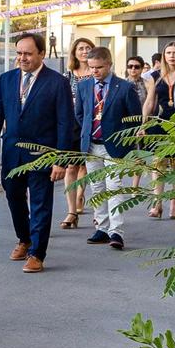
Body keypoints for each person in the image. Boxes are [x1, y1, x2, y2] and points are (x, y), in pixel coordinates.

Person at [0, 32, 77, 273]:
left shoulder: (57, 82)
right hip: (12, 153)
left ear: (42, 54)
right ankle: (24, 239)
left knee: (40, 204)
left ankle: (37, 254)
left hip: (42, 155)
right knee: (13, 197)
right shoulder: (6, 79)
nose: (22, 58)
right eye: (19, 53)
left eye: (28, 53)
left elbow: (65, 123)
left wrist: (61, 160)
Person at [75, 46, 144, 252]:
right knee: (97, 188)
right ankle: (102, 228)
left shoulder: (124, 87)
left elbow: (134, 118)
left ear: (109, 65)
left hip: (114, 145)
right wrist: (86, 133)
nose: (94, 71)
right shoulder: (84, 86)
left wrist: (125, 142)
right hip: (91, 145)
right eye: (91, 67)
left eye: (99, 67)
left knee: (114, 187)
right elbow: (80, 114)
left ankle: (116, 232)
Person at [143, 40, 175, 220]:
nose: (172, 56)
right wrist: (143, 124)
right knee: (158, 163)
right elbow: (149, 101)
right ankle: (157, 203)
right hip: (160, 122)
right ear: (163, 56)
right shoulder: (155, 75)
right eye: (168, 53)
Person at [61, 37, 97, 228]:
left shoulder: (97, 73)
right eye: (80, 48)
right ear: (74, 52)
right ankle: (71, 211)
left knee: (89, 167)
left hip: (92, 125)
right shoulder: (66, 76)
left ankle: (83, 197)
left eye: (88, 48)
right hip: (72, 126)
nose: (84, 51)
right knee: (71, 167)